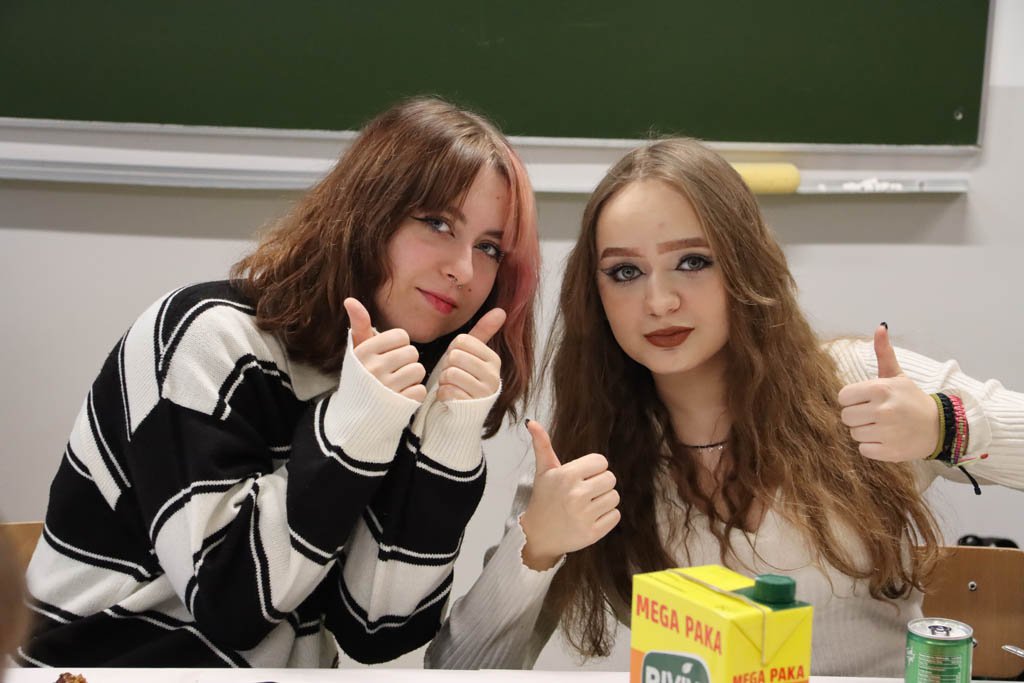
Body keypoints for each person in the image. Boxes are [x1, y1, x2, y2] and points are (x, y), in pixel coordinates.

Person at [425, 137, 1024, 675]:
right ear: (595, 294)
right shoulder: (586, 448)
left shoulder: (853, 379)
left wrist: (948, 427)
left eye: (693, 262)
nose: (659, 301)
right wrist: (537, 546)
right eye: (625, 272)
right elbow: (458, 670)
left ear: (744, 264)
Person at [18, 96, 540, 667]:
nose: (463, 270)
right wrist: (354, 428)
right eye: (437, 224)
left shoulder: (399, 380)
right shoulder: (207, 337)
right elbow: (229, 605)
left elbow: (377, 632)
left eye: (489, 248)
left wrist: (446, 440)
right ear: (370, 212)